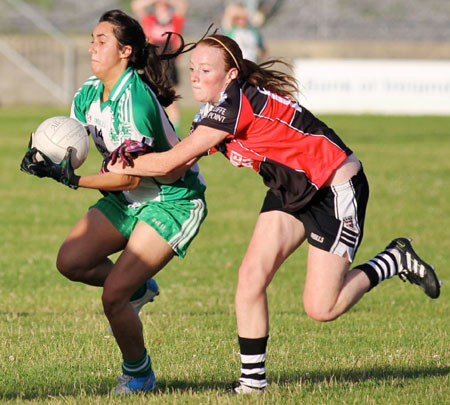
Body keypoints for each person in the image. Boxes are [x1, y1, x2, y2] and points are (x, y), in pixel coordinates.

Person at [106, 33, 442, 394]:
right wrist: (128, 157)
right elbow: (175, 168)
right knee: (251, 277)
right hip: (291, 192)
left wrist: (127, 161)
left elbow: (171, 161)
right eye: (192, 69)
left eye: (206, 69)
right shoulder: (212, 112)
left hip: (334, 189)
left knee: (322, 308)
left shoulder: (233, 106)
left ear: (231, 75)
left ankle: (393, 258)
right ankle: (253, 385)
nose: (196, 76)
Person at [20, 9, 207, 395]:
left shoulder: (134, 102)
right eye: (92, 38)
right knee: (70, 262)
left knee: (113, 296)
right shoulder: (89, 91)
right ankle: (140, 290)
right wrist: (47, 153)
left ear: (125, 52)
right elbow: (78, 143)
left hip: (172, 200)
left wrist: (73, 180)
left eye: (102, 40)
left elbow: (131, 175)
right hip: (127, 197)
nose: (93, 46)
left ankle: (139, 375)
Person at [131, 0, 188, 134]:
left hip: (169, 63)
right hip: (153, 62)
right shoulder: (150, 21)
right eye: (159, 7)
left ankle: (175, 130)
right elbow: (136, 5)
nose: (162, 8)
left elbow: (182, 5)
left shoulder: (174, 21)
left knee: (170, 94)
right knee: (151, 92)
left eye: (165, 7)